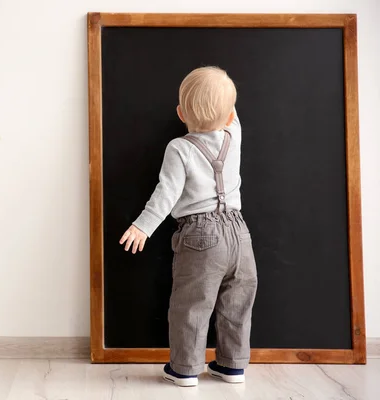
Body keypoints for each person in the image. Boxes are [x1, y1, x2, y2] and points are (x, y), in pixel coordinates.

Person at [119, 66, 257, 387]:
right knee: (237, 300)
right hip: (238, 231)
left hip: (200, 234)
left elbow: (166, 193)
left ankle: (184, 369)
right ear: (227, 117)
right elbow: (230, 113)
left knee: (193, 303)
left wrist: (143, 226)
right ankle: (232, 366)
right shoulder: (232, 136)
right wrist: (223, 99)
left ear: (180, 113)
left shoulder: (179, 149)